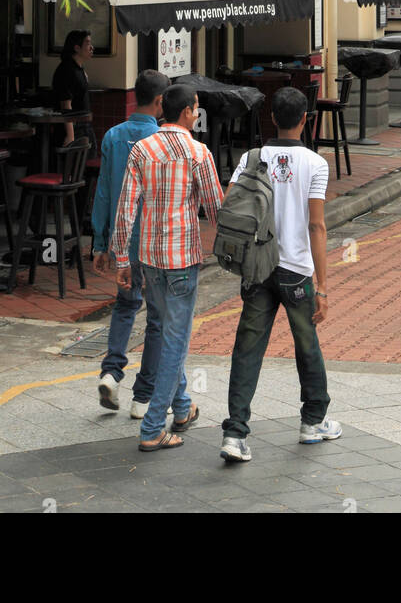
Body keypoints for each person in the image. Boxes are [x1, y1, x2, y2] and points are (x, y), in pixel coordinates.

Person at [220, 86, 341, 464]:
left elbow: (233, 204)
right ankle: (312, 421)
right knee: (307, 345)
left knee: (248, 348)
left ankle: (235, 433)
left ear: (272, 117)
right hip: (296, 271)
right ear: (306, 119)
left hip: (257, 268)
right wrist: (322, 286)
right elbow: (317, 227)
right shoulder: (315, 164)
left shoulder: (251, 157)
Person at [111, 83, 223, 451]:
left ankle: (183, 407)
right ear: (189, 112)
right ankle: (153, 427)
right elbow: (216, 208)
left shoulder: (142, 149)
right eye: (195, 108)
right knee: (176, 341)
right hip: (182, 259)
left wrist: (122, 260)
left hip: (149, 258)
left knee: (166, 331)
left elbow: (126, 209)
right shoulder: (198, 152)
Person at [92, 69, 169, 417]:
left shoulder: (112, 136)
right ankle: (143, 396)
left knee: (124, 306)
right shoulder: (163, 143)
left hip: (122, 242)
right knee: (156, 317)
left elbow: (104, 192)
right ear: (159, 101)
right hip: (153, 243)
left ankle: (111, 371)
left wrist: (100, 241)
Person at [51, 29, 93, 147]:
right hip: (73, 128)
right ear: (77, 48)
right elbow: (65, 105)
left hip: (83, 125)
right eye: (88, 43)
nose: (91, 47)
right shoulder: (67, 70)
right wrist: (70, 136)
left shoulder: (79, 69)